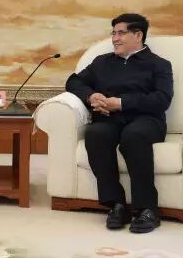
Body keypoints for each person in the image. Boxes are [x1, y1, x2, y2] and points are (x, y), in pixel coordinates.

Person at [65, 13, 173, 233]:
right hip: (109, 118)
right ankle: (117, 205)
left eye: (121, 33)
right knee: (96, 134)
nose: (114, 38)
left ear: (138, 35)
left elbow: (162, 99)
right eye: (113, 33)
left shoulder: (159, 65)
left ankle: (147, 209)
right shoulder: (102, 62)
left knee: (133, 137)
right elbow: (73, 82)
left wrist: (121, 103)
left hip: (147, 120)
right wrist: (91, 96)